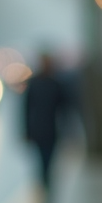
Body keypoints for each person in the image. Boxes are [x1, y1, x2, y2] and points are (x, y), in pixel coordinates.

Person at [23, 52, 69, 193]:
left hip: (51, 130)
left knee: (49, 159)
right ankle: (43, 183)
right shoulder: (36, 83)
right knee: (41, 160)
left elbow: (65, 108)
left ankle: (45, 182)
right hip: (39, 130)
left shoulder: (56, 83)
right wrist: (26, 131)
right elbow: (26, 109)